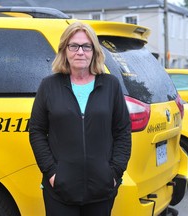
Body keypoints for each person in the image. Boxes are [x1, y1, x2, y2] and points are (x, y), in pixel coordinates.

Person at [29, 21, 131, 216]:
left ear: (94, 51)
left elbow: (122, 132)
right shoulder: (49, 86)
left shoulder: (111, 85)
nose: (80, 52)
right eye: (74, 46)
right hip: (60, 191)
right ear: (64, 50)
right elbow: (37, 131)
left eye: (86, 46)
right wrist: (51, 173)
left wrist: (114, 172)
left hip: (102, 189)